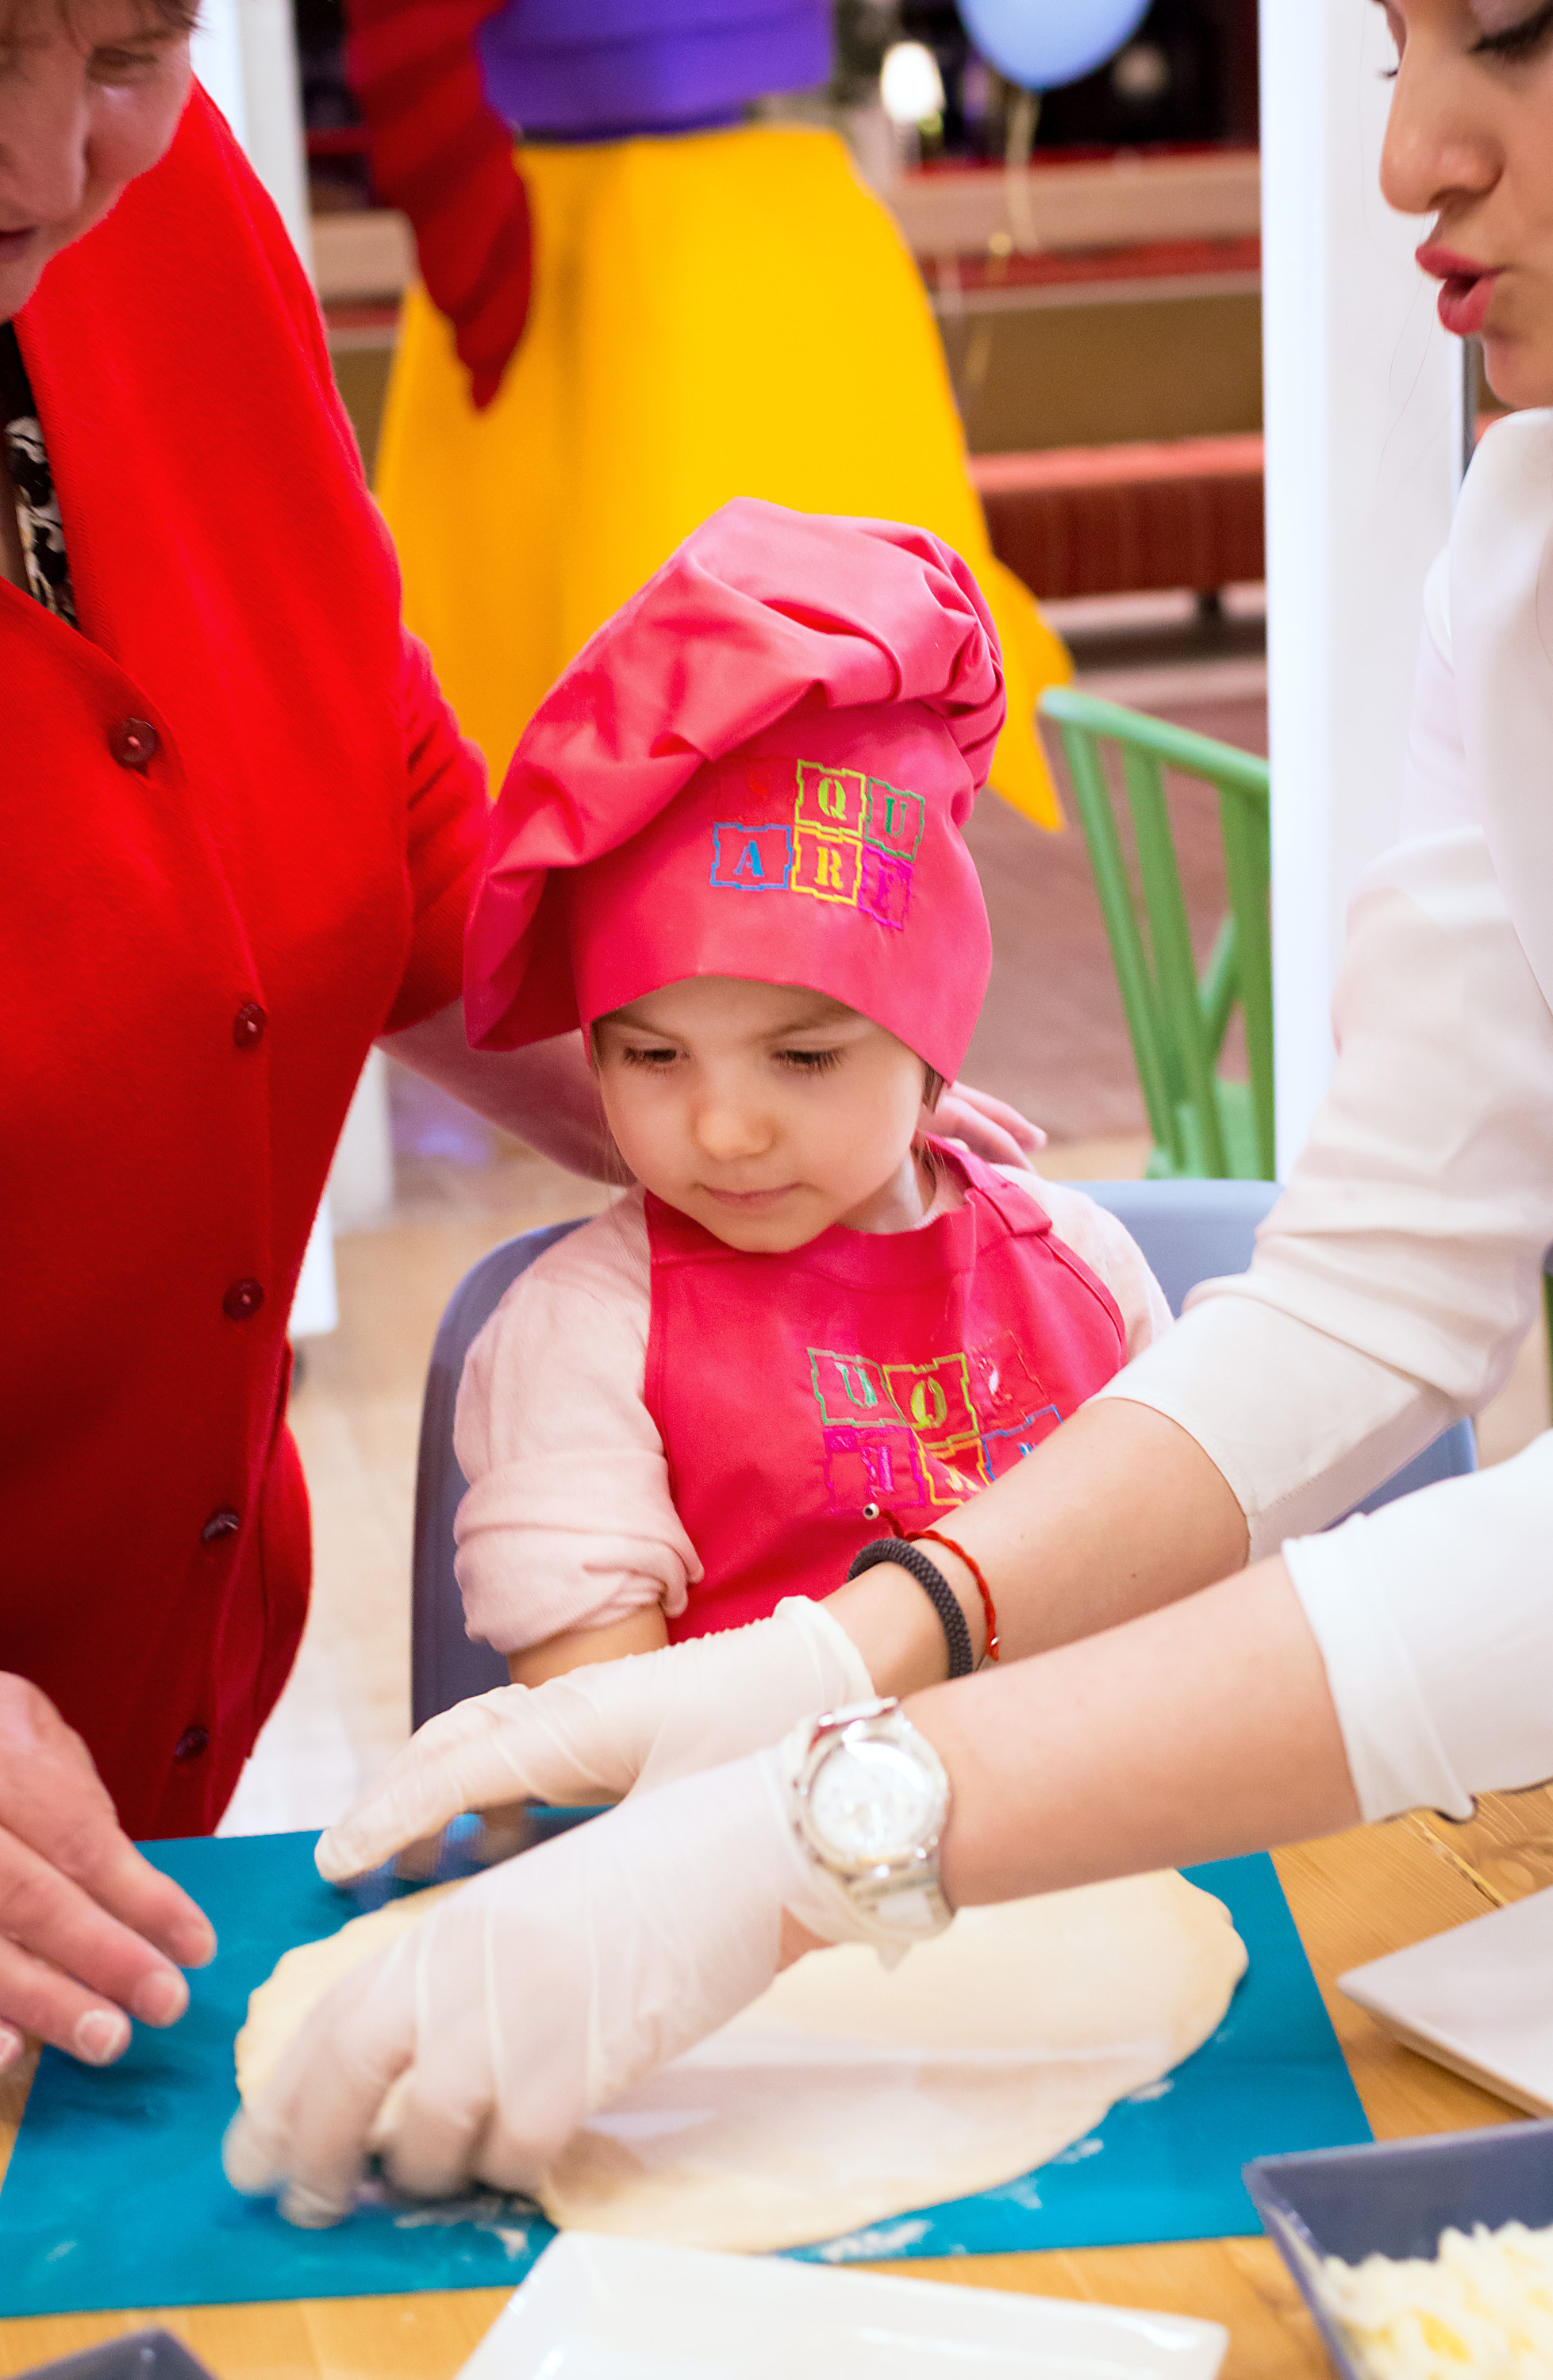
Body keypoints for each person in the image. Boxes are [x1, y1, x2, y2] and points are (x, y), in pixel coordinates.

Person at [224, 0, 1553, 2223]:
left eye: (1512, 37)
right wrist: (849, 1656)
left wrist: (821, 1822)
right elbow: (1375, 1288)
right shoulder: (1519, 536)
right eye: (1391, 50)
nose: (1407, 155)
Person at [0, 1, 1044, 2090]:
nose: (48, 162)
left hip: (143, 1775)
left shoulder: (172, 215)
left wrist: (708, 1062)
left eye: (128, 48)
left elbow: (352, 749)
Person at [449, 501, 1171, 1692]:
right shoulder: (581, 1338)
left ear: (932, 1040)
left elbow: (1190, 1621)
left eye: (804, 1059)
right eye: (652, 1058)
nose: (724, 1131)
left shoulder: (1086, 1271)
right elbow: (600, 1742)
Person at [348, 0, 1074, 829]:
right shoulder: (739, 216)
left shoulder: (749, 215)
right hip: (640, 251)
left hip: (663, 247)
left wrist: (468, 242)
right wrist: (467, 232)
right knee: (638, 669)